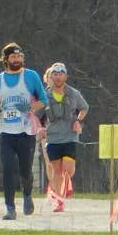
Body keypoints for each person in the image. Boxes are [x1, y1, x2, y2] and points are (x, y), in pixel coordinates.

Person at [0, 42, 48, 220]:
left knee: (25, 170)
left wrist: (29, 106)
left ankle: (27, 193)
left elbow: (43, 101)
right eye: (13, 57)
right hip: (6, 131)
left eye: (19, 57)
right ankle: (10, 208)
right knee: (7, 168)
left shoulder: (31, 76)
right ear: (5, 59)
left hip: (26, 131)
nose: (17, 60)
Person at [43, 62, 89, 211]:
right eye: (55, 74)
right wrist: (38, 127)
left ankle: (64, 186)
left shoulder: (73, 93)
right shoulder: (45, 95)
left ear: (66, 76)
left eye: (61, 74)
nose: (58, 77)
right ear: (51, 76)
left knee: (68, 170)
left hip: (70, 136)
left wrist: (78, 120)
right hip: (53, 137)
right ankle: (59, 200)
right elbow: (37, 114)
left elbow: (84, 108)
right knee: (56, 171)